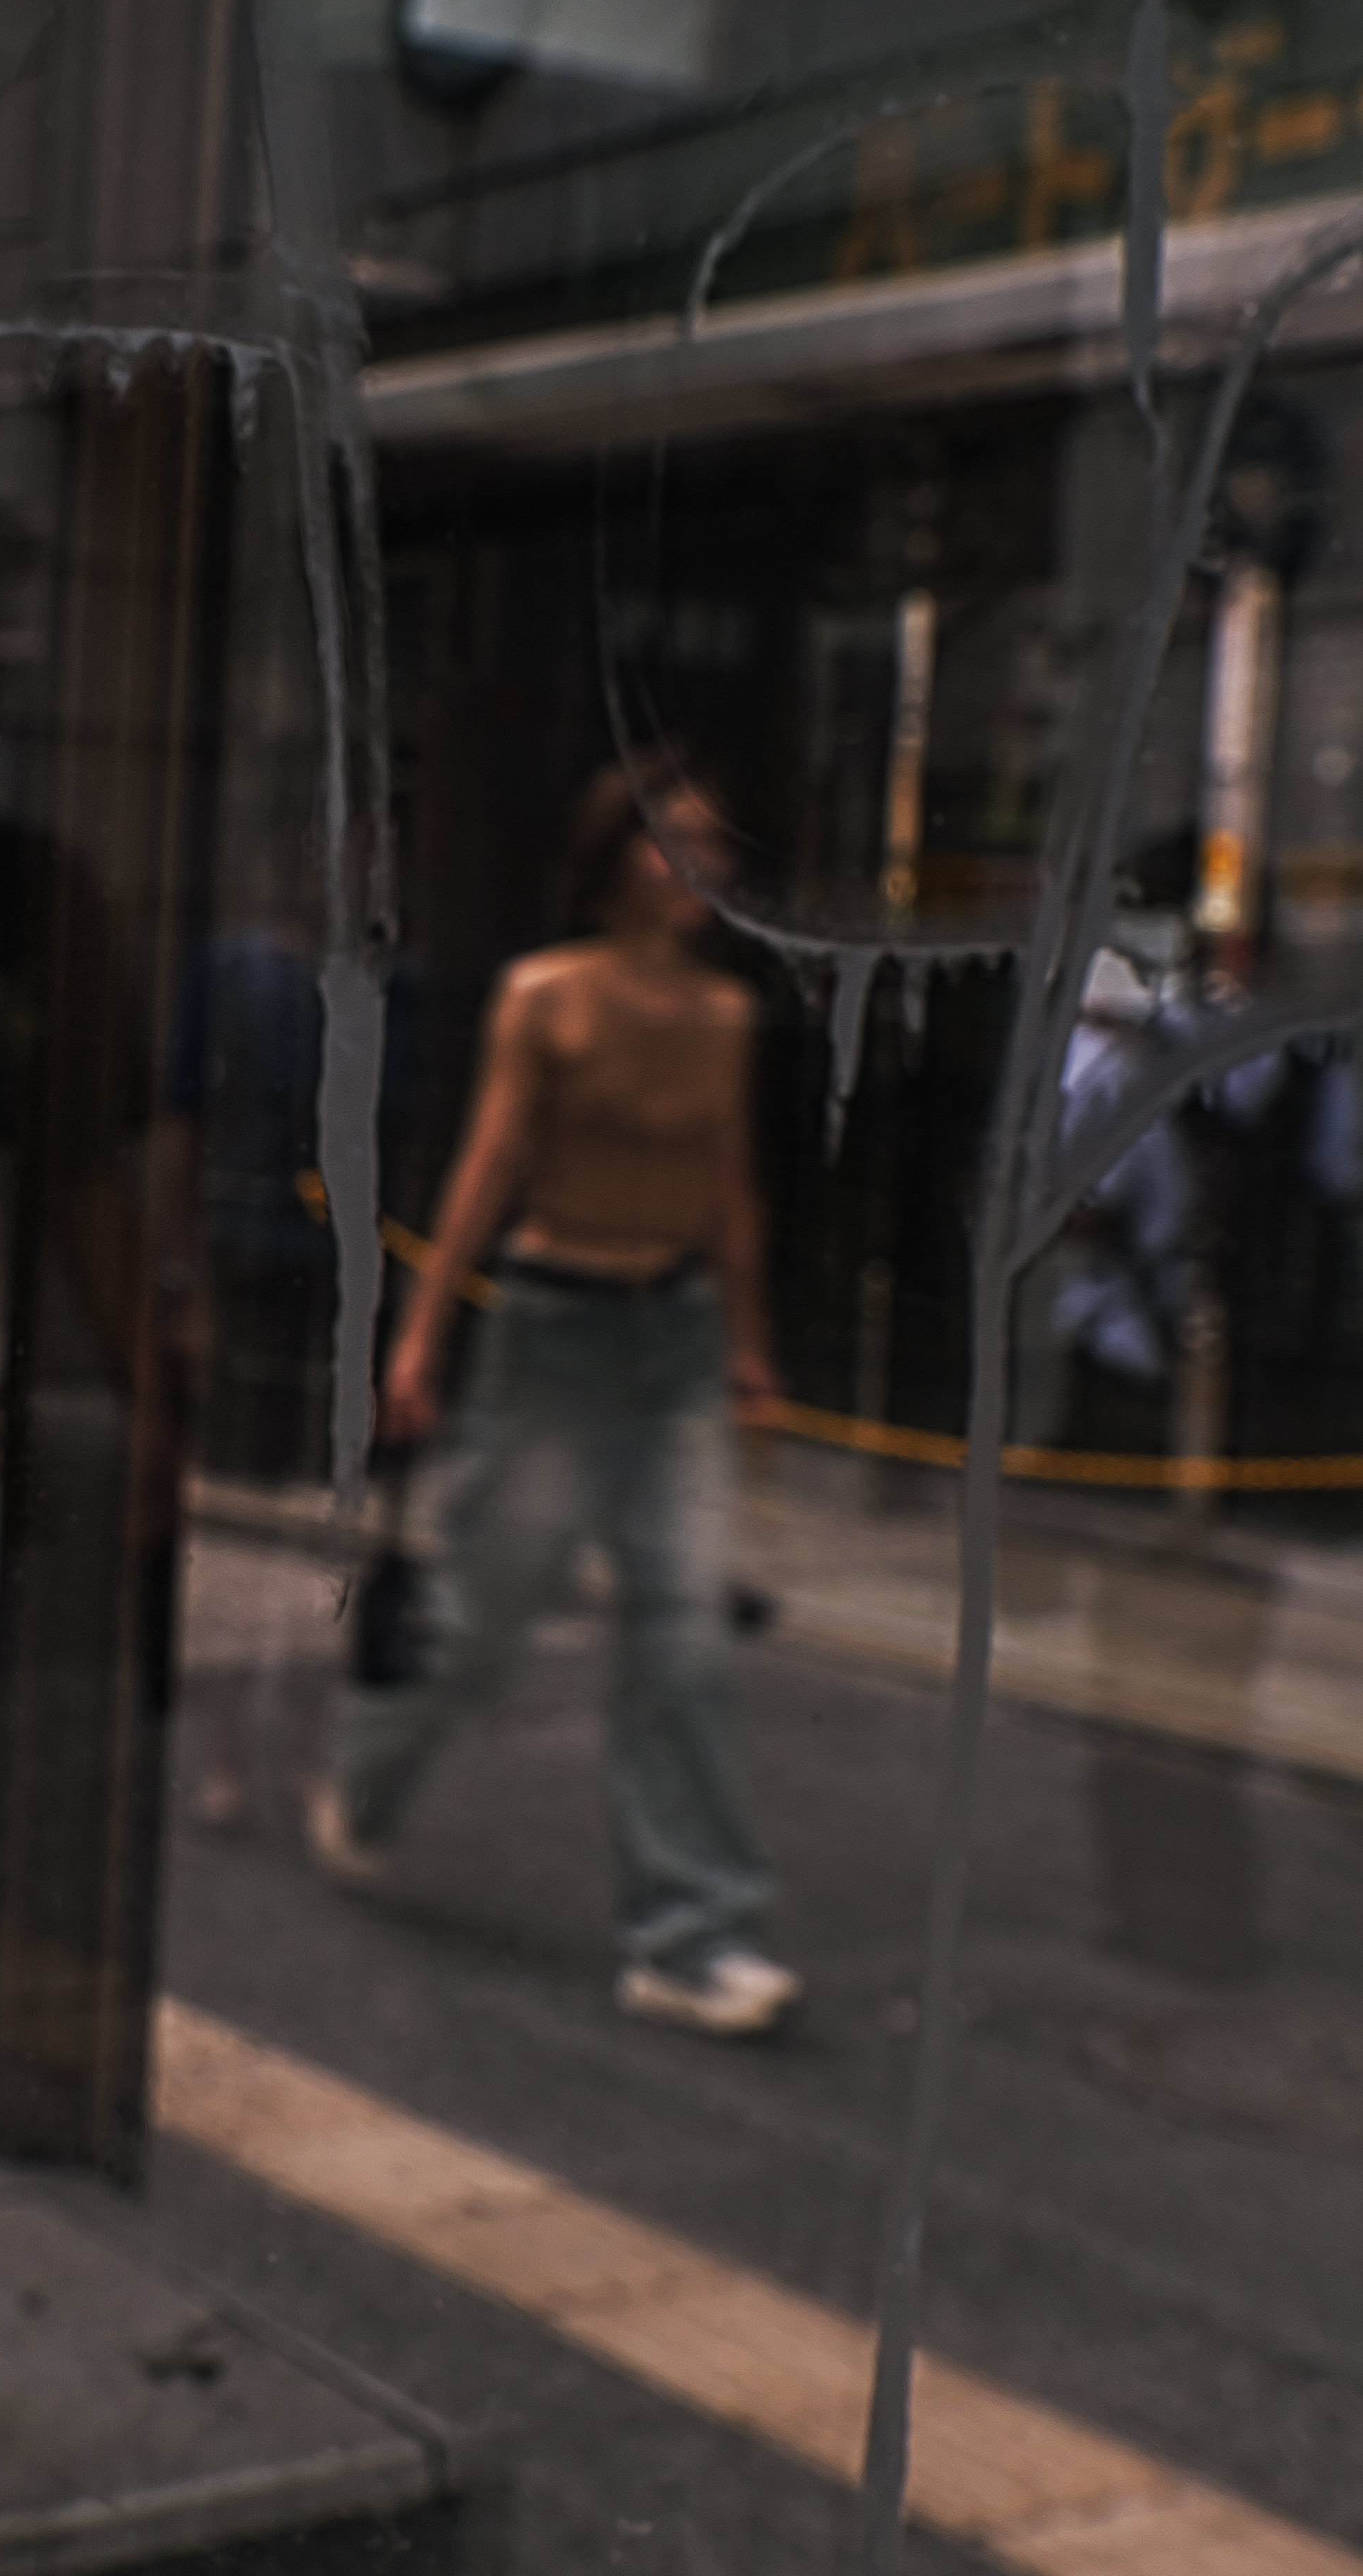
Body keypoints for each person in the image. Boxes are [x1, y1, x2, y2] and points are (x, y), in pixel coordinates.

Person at [307, 763, 797, 2038]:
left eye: (715, 848)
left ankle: (690, 1937)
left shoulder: (727, 1015)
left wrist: (749, 1349)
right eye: (675, 843)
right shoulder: (545, 995)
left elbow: (732, 1190)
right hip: (553, 1336)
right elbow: (490, 1164)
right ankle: (366, 1773)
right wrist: (418, 1343)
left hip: (674, 1341)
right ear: (616, 857)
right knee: (478, 1625)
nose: (700, 870)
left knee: (684, 1639)